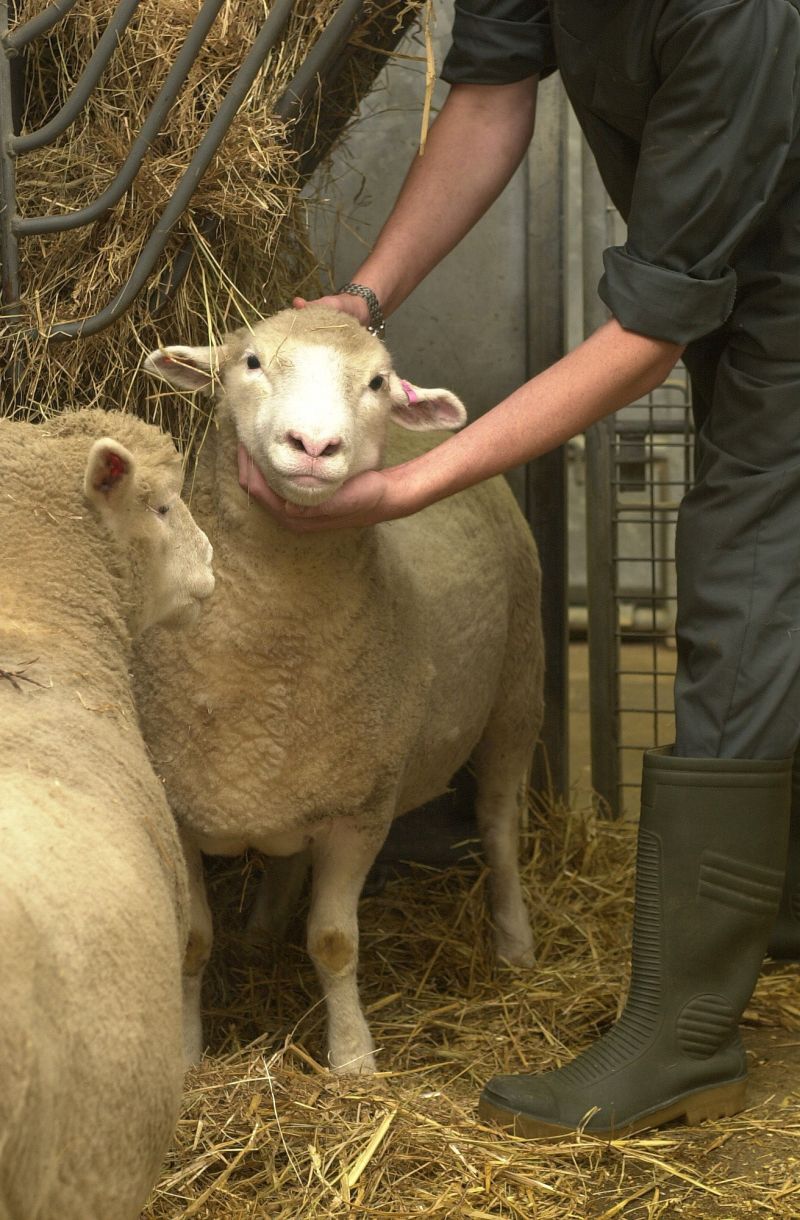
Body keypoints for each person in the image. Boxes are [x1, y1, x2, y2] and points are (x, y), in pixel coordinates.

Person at [239, 0, 800, 1139]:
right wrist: (361, 297)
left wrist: (401, 483)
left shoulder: (740, 15)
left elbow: (646, 331)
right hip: (746, 294)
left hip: (766, 307)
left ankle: (683, 1035)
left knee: (741, 581)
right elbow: (492, 95)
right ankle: (773, 903)